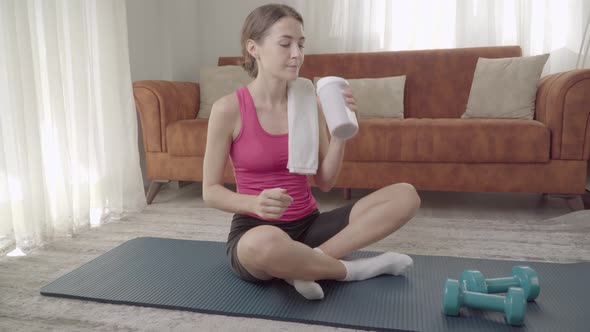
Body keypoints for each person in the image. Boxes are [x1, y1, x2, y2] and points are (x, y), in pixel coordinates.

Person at [202, 4, 420, 300]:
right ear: (254, 48)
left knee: (406, 195)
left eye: (301, 44)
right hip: (256, 229)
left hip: (309, 225)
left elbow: (326, 182)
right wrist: (253, 203)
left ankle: (307, 264)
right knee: (265, 245)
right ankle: (354, 270)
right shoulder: (227, 109)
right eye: (285, 44)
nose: (297, 54)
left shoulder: (308, 102)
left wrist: (342, 131)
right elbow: (210, 191)